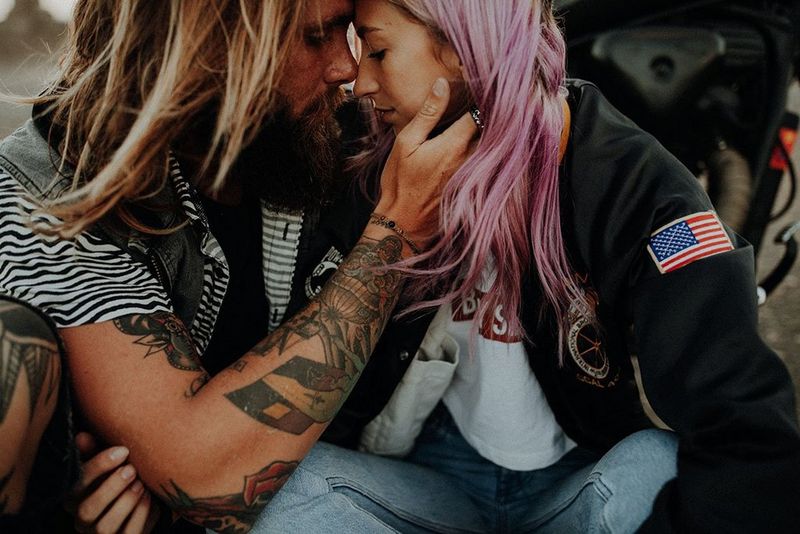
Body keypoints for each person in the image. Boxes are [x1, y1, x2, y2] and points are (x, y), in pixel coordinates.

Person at [246, 0, 800, 532]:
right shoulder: (369, 153)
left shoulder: (634, 187)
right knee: (275, 493)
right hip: (432, 475)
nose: (359, 81)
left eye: (378, 51)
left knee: (656, 467)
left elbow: (748, 434)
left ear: (462, 48)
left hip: (577, 481)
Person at [0, 0, 476, 532]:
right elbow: (203, 476)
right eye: (316, 37)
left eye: (350, 33)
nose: (347, 68)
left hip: (396, 476)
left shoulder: (333, 128)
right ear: (204, 48)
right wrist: (396, 231)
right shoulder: (47, 200)